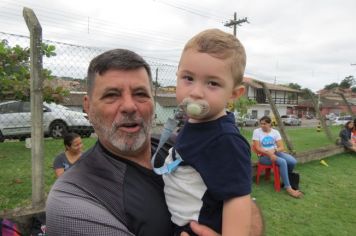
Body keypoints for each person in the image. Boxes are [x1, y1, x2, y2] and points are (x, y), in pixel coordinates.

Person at [46, 49, 263, 236]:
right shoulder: (74, 197)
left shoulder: (181, 145)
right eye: (112, 95)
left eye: (141, 94)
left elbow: (246, 205)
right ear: (88, 106)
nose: (129, 106)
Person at [159, 29, 252, 236]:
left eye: (212, 83)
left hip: (198, 229)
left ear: (234, 93)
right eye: (188, 78)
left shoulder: (225, 140)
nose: (195, 92)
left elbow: (237, 198)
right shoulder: (195, 123)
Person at [252, 115, 303, 198]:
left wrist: (274, 151)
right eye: (261, 124)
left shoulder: (275, 132)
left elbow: (281, 147)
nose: (262, 126)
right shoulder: (257, 131)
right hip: (263, 156)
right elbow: (257, 148)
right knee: (282, 162)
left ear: (269, 124)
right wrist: (269, 154)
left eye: (264, 124)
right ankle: (288, 188)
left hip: (275, 152)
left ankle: (285, 179)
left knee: (292, 161)